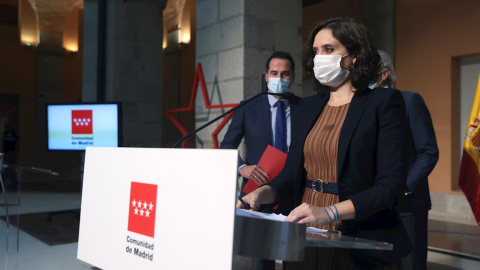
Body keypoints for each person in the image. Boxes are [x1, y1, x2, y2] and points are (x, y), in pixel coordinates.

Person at [238, 18, 411, 269]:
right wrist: (262, 192)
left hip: (357, 233)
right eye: (316, 51)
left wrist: (328, 213)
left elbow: (391, 184)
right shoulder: (308, 106)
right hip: (303, 227)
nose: (319, 58)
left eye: (329, 50)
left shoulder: (383, 102)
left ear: (355, 55)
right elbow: (291, 172)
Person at [374, 50, 439, 270]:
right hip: (373, 205)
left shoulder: (410, 101)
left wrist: (402, 188)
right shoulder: (363, 106)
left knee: (411, 265)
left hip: (407, 205)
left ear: (384, 74)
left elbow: (428, 152)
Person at [221, 51, 302, 213]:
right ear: (266, 77)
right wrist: (241, 167)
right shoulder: (247, 107)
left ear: (292, 77)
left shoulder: (303, 107)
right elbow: (227, 144)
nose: (279, 78)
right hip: (255, 192)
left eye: (285, 74)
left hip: (295, 191)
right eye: (274, 73)